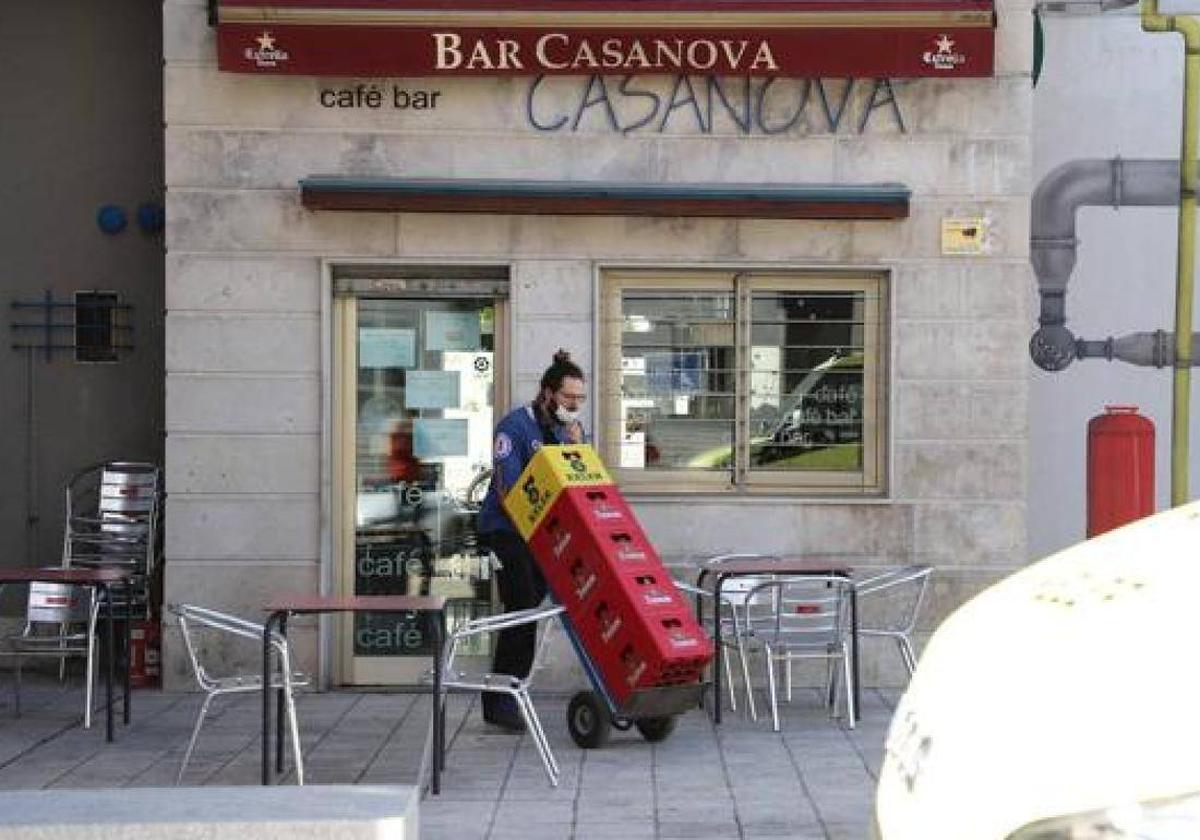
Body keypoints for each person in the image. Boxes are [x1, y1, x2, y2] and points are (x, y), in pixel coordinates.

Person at [476, 349, 587, 730]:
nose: (574, 405)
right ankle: (501, 699)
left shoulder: (568, 431)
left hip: (544, 532)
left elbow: (580, 482)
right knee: (521, 604)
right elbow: (509, 491)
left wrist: (577, 448)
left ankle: (509, 690)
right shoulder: (514, 428)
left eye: (580, 399)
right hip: (506, 530)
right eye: (569, 397)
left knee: (532, 607)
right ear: (547, 393)